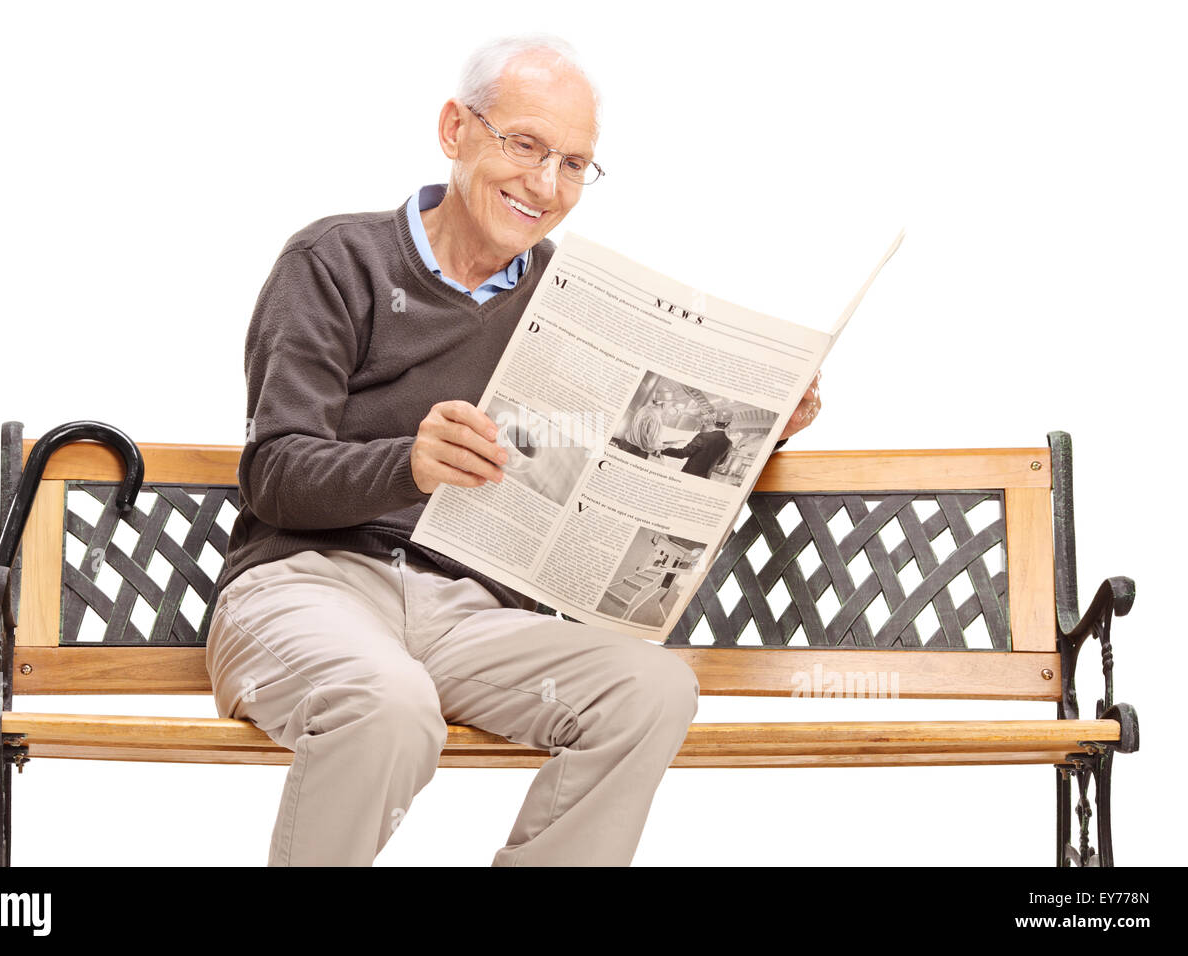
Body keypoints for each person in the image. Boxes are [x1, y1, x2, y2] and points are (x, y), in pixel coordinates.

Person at [206, 33, 823, 867]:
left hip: (471, 612)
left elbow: (613, 463)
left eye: (574, 163)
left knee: (651, 688)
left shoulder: (571, 299)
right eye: (525, 144)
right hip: (310, 586)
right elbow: (274, 474)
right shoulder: (335, 261)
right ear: (455, 128)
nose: (546, 184)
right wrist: (406, 462)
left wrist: (752, 428)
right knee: (388, 705)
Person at [660, 416, 736, 479]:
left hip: (688, 475)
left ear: (714, 421)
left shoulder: (703, 436)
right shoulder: (729, 443)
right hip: (704, 478)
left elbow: (682, 453)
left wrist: (661, 449)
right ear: (728, 423)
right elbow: (720, 462)